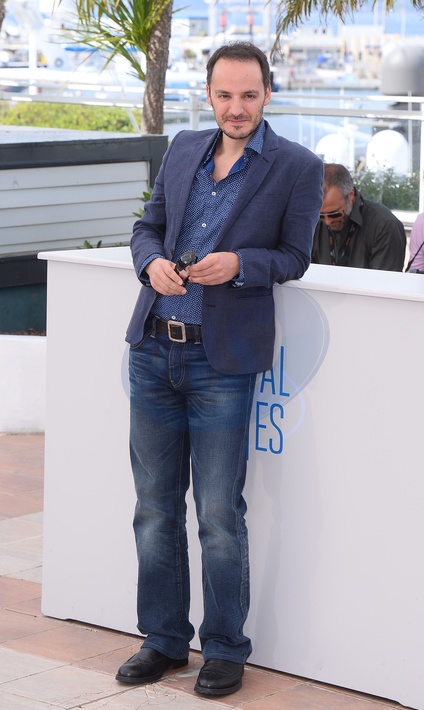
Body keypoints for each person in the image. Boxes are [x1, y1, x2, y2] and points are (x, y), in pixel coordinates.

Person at [115, 42, 323, 697]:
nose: (237, 107)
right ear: (209, 95)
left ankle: (226, 648)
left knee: (218, 514)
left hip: (222, 361)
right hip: (153, 349)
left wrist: (240, 264)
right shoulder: (182, 149)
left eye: (249, 95)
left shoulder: (297, 166)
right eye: (225, 95)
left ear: (268, 95)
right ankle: (163, 640)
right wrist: (150, 263)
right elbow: (146, 228)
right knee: (153, 510)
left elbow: (295, 256)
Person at [312, 163, 406, 270]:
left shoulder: (384, 226)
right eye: (320, 215)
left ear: (351, 195)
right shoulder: (311, 222)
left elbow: (384, 279)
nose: (327, 221)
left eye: (334, 214)